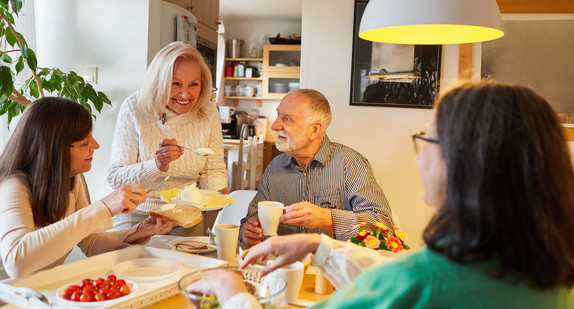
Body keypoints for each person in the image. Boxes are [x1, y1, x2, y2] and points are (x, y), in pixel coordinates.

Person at [188, 81, 574, 308]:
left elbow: (397, 268)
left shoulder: (422, 284)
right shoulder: (553, 280)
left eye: (427, 138)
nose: (419, 155)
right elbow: (391, 275)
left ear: (465, 165)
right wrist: (317, 247)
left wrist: (230, 289)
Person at [0, 97, 174, 280]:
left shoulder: (71, 180)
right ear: (53, 149)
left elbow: (90, 242)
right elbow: (17, 263)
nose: (96, 146)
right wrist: (104, 207)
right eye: (84, 143)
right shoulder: (13, 184)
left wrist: (140, 231)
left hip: (40, 290)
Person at [240, 89, 394, 247]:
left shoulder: (350, 163)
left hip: (334, 268)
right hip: (289, 268)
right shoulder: (275, 167)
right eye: (278, 115)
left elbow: (384, 228)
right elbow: (249, 222)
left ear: (314, 130)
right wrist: (249, 232)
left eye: (286, 119)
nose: (274, 125)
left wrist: (325, 218)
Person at [107, 42, 228, 236]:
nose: (185, 94)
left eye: (193, 84)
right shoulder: (134, 108)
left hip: (187, 214)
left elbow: (213, 169)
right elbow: (115, 177)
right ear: (159, 82)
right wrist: (156, 165)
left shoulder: (207, 111)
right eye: (175, 83)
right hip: (137, 211)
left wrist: (215, 193)